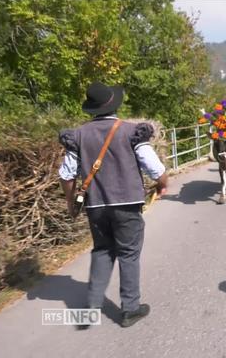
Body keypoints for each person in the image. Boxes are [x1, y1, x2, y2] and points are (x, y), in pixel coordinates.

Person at [58, 82, 168, 328]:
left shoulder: (78, 136)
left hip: (95, 205)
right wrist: (162, 183)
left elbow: (66, 175)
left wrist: (71, 202)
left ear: (92, 109)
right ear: (113, 105)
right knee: (128, 253)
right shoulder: (131, 132)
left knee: (102, 251)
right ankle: (130, 309)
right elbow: (155, 167)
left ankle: (91, 308)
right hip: (127, 204)